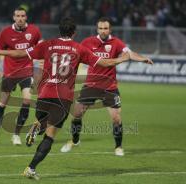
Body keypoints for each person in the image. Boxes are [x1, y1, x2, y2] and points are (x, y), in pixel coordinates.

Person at [0, 17, 152, 180]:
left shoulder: (47, 44)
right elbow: (104, 63)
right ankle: (31, 168)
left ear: (59, 30)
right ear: (74, 33)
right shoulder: (78, 48)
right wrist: (121, 59)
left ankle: (38, 125)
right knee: (50, 136)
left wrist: (0, 52)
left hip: (44, 94)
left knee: (44, 122)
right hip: (63, 97)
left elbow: (21, 53)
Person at [60, 17, 154, 156]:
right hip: (91, 85)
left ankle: (118, 147)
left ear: (110, 29)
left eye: (105, 28)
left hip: (109, 86)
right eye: (101, 28)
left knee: (116, 117)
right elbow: (75, 55)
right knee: (77, 114)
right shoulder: (88, 42)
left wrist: (143, 58)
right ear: (97, 29)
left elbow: (129, 54)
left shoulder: (116, 42)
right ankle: (74, 141)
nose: (103, 31)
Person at [0, 7, 42, 146]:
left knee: (27, 100)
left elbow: (40, 49)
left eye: (22, 16)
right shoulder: (5, 33)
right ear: (13, 17)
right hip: (10, 73)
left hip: (26, 72)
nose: (20, 18)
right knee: (2, 103)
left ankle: (16, 135)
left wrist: (41, 67)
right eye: (17, 16)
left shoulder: (34, 31)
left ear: (26, 17)